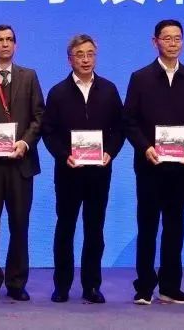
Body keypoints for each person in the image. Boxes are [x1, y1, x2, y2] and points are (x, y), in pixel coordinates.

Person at [125, 19, 184, 305]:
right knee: (147, 225)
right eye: (167, 38)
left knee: (175, 225)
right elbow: (129, 121)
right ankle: (144, 286)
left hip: (180, 165)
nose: (173, 43)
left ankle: (170, 287)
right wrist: (145, 147)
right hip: (149, 164)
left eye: (177, 38)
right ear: (155, 42)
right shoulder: (140, 78)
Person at [41, 34, 125, 304]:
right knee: (65, 228)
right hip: (68, 172)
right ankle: (62, 286)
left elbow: (120, 127)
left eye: (90, 54)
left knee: (95, 229)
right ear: (70, 59)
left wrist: (110, 152)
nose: (86, 59)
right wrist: (63, 155)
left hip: (99, 172)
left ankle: (92, 286)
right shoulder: (58, 92)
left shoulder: (109, 90)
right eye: (79, 55)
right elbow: (48, 131)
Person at [0, 24, 45, 302]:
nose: (4, 44)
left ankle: (16, 282)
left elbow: (39, 116)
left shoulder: (29, 77)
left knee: (19, 225)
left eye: (9, 39)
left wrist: (24, 142)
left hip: (20, 164)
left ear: (15, 44)